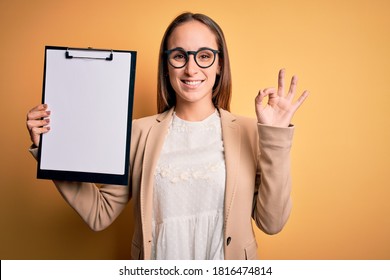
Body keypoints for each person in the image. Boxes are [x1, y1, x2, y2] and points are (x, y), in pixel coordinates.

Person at [26, 12, 308, 260]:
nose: (191, 68)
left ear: (220, 65)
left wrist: (276, 136)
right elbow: (99, 214)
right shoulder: (139, 133)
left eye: (205, 55)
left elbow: (272, 222)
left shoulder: (249, 132)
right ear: (167, 65)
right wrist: (51, 151)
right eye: (179, 56)